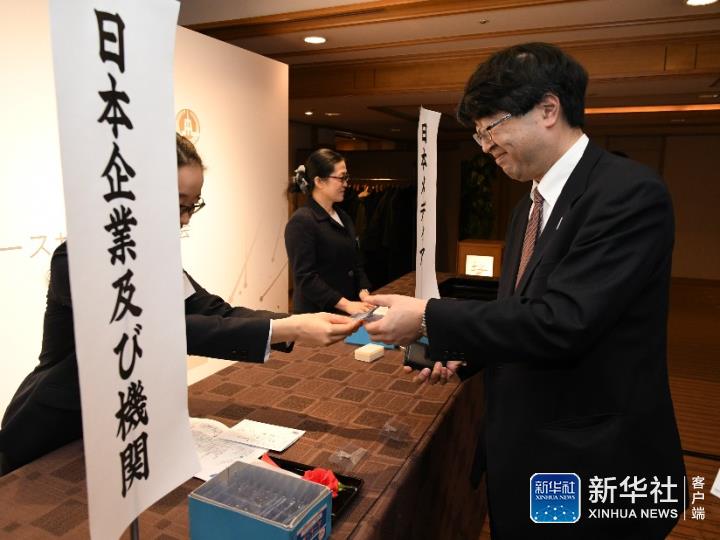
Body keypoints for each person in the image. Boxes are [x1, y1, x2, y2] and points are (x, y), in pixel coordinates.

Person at [365, 43, 685, 539]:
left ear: (548, 109)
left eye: (491, 128)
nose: (485, 146)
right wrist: (463, 353)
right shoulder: (528, 207)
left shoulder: (627, 194)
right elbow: (520, 311)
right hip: (527, 452)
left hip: (591, 461)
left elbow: (563, 321)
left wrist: (429, 316)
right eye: (477, 134)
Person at [0, 134, 359, 475]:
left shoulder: (155, 256)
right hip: (58, 425)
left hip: (124, 422)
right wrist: (287, 327)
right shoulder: (80, 256)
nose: (185, 219)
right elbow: (154, 332)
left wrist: (294, 323)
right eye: (178, 205)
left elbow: (212, 311)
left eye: (192, 206)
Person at [285, 148, 373, 315]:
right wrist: (345, 304)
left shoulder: (343, 216)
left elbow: (355, 262)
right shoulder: (302, 221)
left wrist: (363, 290)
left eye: (346, 177)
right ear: (319, 181)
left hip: (347, 309)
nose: (346, 184)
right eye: (341, 178)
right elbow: (305, 278)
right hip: (317, 315)